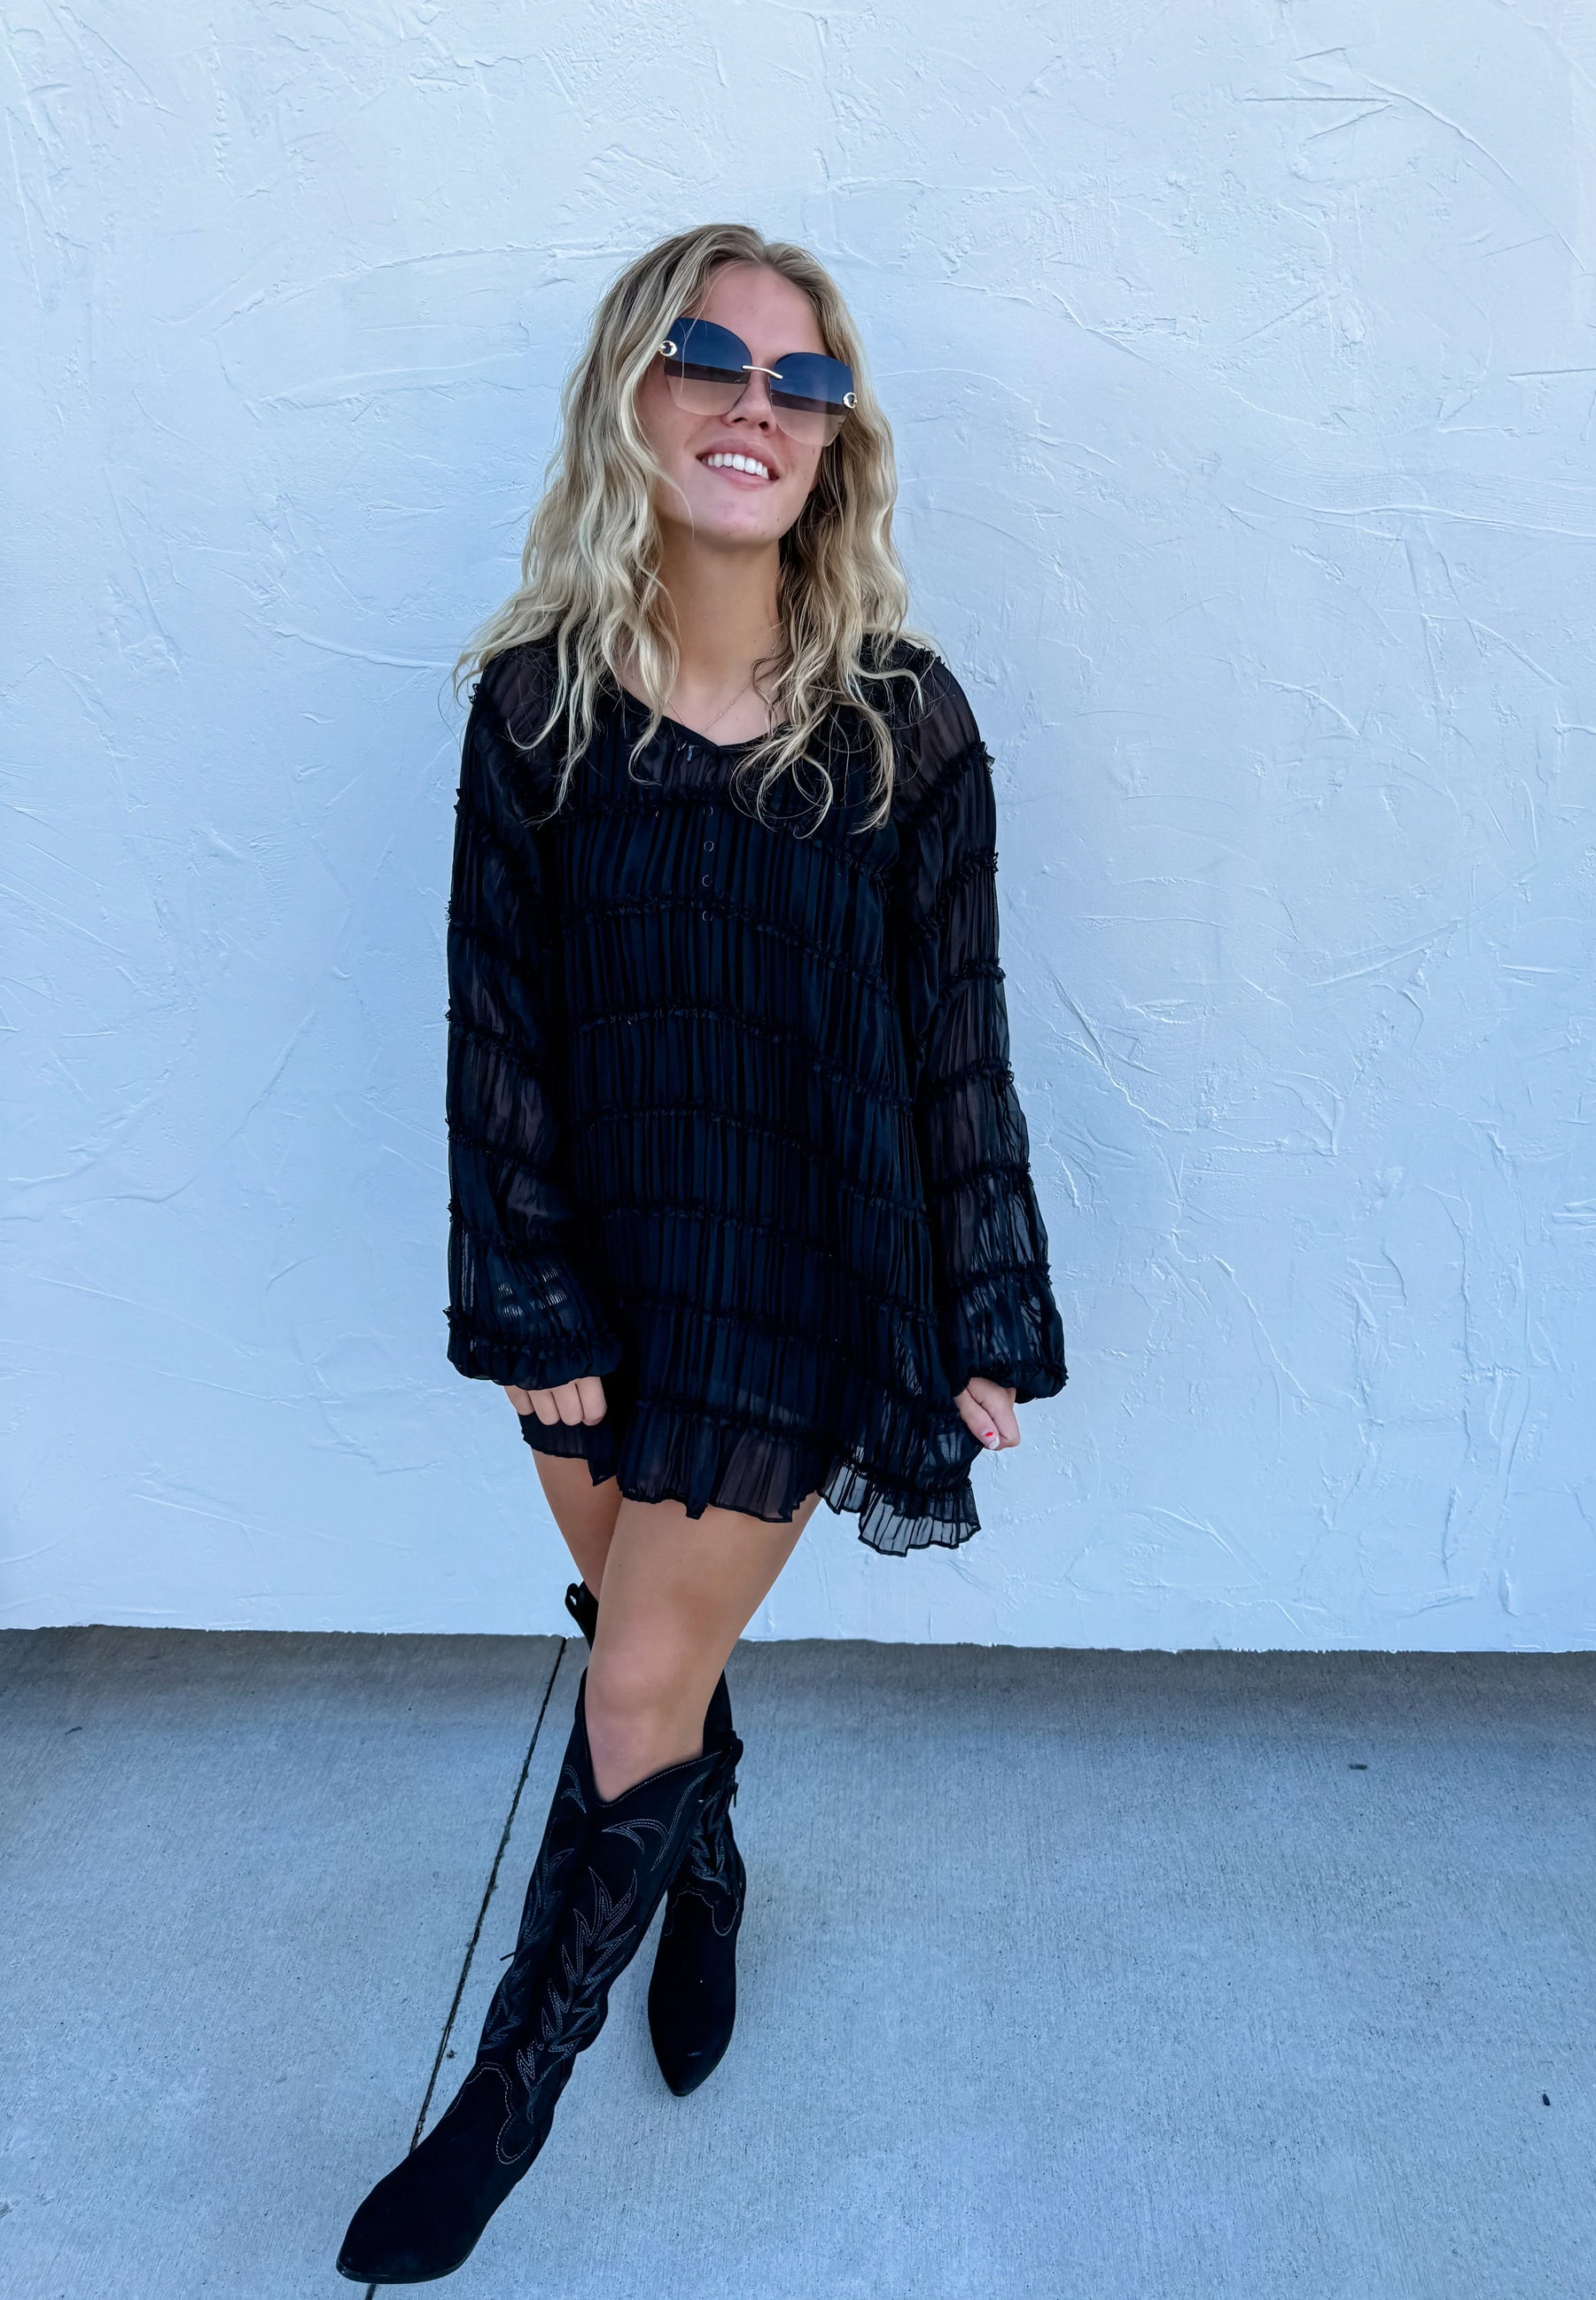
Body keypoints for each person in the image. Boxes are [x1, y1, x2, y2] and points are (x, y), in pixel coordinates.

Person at [337, 221, 1069, 2284]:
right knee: (638, 1634)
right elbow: (499, 1030)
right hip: (597, 1278)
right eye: (711, 360)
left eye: (802, 380)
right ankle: (709, 1866)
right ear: (632, 396)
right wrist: (528, 1296)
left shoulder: (907, 725)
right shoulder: (533, 711)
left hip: (805, 1276)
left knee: (641, 1666)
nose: (758, 404)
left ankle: (498, 2105)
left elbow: (954, 1038)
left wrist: (985, 1305)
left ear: (836, 440)